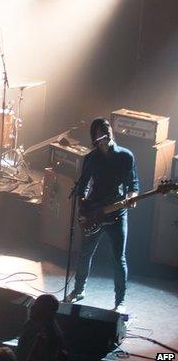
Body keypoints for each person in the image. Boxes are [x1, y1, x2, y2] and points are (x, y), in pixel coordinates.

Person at [65, 118, 139, 313]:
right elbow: (82, 187)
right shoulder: (91, 158)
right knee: (85, 253)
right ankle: (78, 290)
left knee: (119, 259)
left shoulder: (125, 156)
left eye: (103, 132)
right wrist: (82, 211)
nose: (101, 137)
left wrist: (132, 197)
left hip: (117, 213)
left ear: (110, 133)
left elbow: (134, 185)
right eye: (96, 134)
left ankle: (120, 302)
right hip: (95, 211)